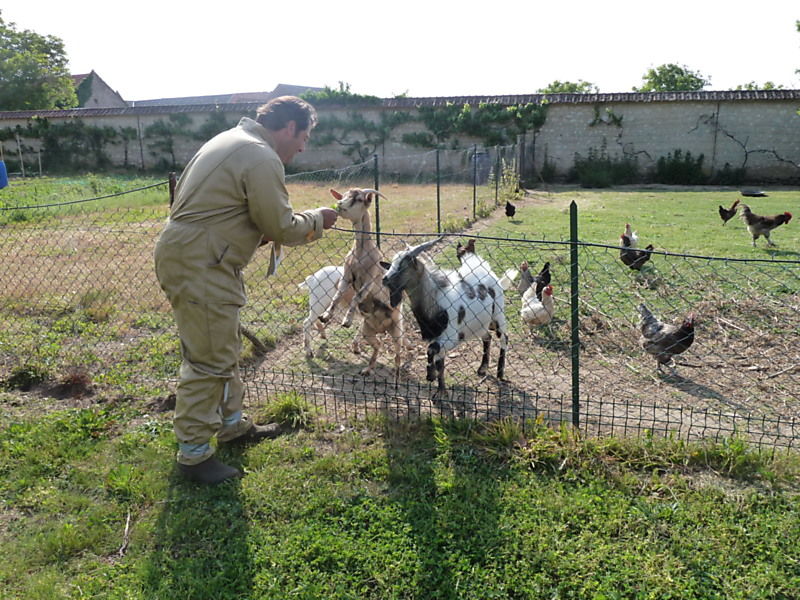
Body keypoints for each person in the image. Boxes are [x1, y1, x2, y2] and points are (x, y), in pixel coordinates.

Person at [154, 96, 338, 484]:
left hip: (198, 257)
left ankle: (232, 426)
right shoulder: (260, 155)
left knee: (222, 347)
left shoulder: (230, 139)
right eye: (304, 136)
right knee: (208, 360)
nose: (303, 146)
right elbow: (280, 226)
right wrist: (319, 220)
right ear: (289, 128)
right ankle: (194, 456)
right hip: (202, 261)